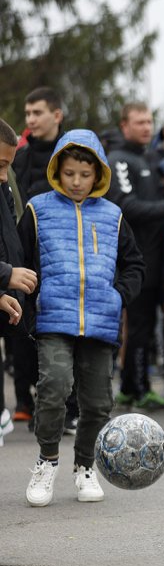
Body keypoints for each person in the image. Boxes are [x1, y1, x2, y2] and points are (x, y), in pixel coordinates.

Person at [19, 129, 144, 506]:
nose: (76, 181)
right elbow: (23, 262)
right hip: (53, 319)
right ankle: (47, 461)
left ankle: (85, 466)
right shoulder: (37, 209)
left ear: (98, 174)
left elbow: (134, 265)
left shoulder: (114, 215)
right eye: (69, 173)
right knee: (54, 386)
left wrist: (119, 296)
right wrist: (29, 305)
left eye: (84, 175)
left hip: (100, 322)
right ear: (58, 169)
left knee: (98, 403)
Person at [106, 103, 164, 409]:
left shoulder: (151, 159)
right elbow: (125, 205)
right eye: (139, 122)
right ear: (124, 125)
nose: (146, 127)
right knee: (139, 327)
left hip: (158, 261)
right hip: (133, 261)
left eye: (149, 121)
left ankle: (133, 386)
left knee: (148, 326)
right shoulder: (119, 159)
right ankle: (139, 389)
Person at [10, 87, 65, 428]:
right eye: (27, 114)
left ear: (56, 115)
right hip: (24, 253)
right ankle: (22, 399)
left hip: (59, 253)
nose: (30, 120)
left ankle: (58, 402)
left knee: (52, 329)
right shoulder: (20, 156)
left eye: (37, 113)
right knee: (20, 327)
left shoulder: (70, 154)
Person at [0, 117, 38, 446]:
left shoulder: (3, 188)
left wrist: (3, 292)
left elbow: (9, 240)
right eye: (0, 165)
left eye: (8, 166)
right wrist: (5, 275)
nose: (4, 175)